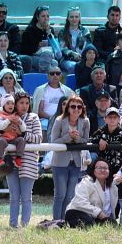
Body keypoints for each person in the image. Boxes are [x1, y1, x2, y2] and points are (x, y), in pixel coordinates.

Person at [47, 94, 91, 222]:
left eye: (79, 106)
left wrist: (77, 138)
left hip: (77, 163)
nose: (76, 109)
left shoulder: (85, 121)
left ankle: (66, 221)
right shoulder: (59, 120)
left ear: (82, 108)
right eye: (73, 106)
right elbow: (53, 141)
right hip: (60, 162)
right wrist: (68, 136)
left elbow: (86, 141)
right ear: (68, 108)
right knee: (60, 195)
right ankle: (56, 221)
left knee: (70, 195)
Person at [4, 96, 42, 229]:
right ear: (15, 104)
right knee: (14, 196)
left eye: (27, 103)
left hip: (29, 162)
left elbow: (38, 139)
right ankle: (13, 225)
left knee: (26, 197)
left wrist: (22, 133)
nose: (24, 106)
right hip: (11, 162)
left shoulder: (33, 118)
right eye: (21, 103)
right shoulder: (7, 117)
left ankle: (24, 225)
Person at [61, 157, 116, 228]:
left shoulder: (112, 187)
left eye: (105, 168)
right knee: (89, 224)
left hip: (95, 216)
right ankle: (59, 225)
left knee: (112, 224)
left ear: (109, 171)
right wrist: (99, 213)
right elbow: (79, 202)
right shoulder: (85, 182)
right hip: (76, 211)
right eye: (99, 168)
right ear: (93, 170)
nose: (103, 170)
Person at [91, 106, 122, 175]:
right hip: (104, 167)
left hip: (120, 169)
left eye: (115, 117)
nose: (112, 119)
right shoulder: (100, 132)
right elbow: (91, 139)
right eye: (110, 117)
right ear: (105, 119)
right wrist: (99, 140)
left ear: (119, 119)